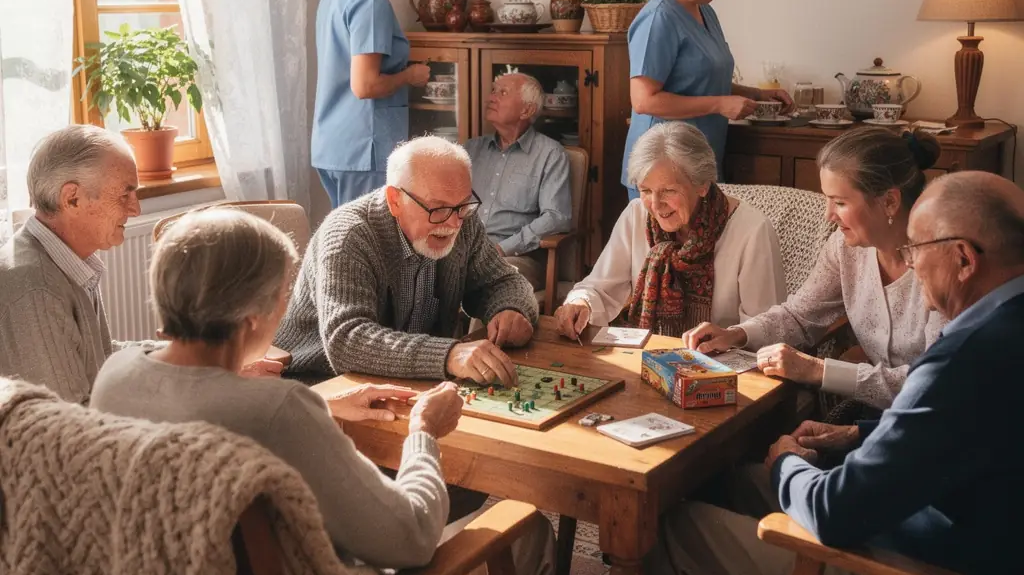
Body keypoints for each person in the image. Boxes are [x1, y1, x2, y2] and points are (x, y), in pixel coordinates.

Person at [547, 171, 1024, 575]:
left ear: (965, 259)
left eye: (918, 250)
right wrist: (855, 437)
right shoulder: (1001, 328)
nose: (912, 263)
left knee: (680, 533)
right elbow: (953, 444)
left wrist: (787, 464)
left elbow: (833, 511)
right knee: (719, 484)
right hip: (944, 551)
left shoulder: (968, 357)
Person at [90, 208, 555, 575]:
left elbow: (204, 405)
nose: (286, 307)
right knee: (530, 533)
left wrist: (328, 407)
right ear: (252, 318)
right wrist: (423, 431)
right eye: (284, 296)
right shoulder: (281, 412)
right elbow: (412, 536)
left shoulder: (116, 374)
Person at [685, 128, 945, 410]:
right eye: (827, 199)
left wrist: (817, 370)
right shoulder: (844, 248)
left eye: (841, 202)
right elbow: (799, 316)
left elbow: (932, 385)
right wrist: (736, 334)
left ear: (890, 201)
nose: (829, 215)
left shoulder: (942, 266)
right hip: (879, 416)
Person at [276, 136, 538, 385]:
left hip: (414, 379)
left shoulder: (462, 220)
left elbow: (503, 280)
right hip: (321, 383)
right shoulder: (348, 235)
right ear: (395, 200)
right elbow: (347, 341)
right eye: (438, 209)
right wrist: (448, 355)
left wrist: (511, 308)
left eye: (463, 205)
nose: (453, 223)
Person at [555, 122, 785, 341]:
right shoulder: (637, 214)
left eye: (668, 191)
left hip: (725, 367)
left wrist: (731, 337)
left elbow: (768, 330)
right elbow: (600, 288)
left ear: (702, 184)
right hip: (649, 359)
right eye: (645, 190)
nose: (655, 205)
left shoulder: (753, 231)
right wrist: (580, 303)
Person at [621, 0, 793, 192]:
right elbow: (644, 101)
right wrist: (718, 105)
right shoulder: (659, 19)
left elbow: (702, 80)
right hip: (660, 168)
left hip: (697, 161)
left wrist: (757, 95)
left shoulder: (705, 12)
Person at [0, 126, 140, 403]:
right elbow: (72, 428)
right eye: (125, 195)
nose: (136, 209)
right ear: (72, 198)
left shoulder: (68, 258)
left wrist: (185, 354)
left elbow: (96, 359)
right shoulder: (37, 291)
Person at [312, 0, 430, 209]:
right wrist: (410, 76)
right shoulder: (370, 2)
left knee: (347, 243)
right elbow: (365, 86)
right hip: (365, 148)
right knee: (368, 247)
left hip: (334, 144)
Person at [465, 72, 572, 292]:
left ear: (527, 110)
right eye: (493, 91)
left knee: (487, 281)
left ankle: (477, 329)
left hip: (517, 257)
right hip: (464, 249)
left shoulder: (550, 154)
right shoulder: (470, 150)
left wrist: (502, 248)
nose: (491, 98)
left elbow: (556, 217)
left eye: (502, 93)